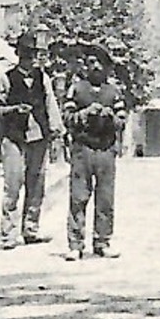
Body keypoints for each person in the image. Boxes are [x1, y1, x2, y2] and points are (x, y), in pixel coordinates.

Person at [0, 32, 64, 249]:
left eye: (33, 54)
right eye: (26, 54)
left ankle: (31, 229)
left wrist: (56, 130)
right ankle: (8, 234)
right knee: (13, 185)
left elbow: (50, 105)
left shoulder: (43, 78)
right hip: (14, 139)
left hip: (38, 138)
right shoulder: (6, 78)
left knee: (37, 184)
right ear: (18, 54)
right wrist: (13, 110)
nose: (30, 59)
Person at [63, 54, 126, 260]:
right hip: (83, 149)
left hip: (106, 149)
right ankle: (75, 244)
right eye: (91, 62)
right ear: (86, 66)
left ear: (107, 67)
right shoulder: (77, 89)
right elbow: (67, 118)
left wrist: (110, 116)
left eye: (100, 63)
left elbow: (122, 121)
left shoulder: (113, 91)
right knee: (79, 196)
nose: (96, 67)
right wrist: (84, 114)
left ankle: (102, 241)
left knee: (106, 197)